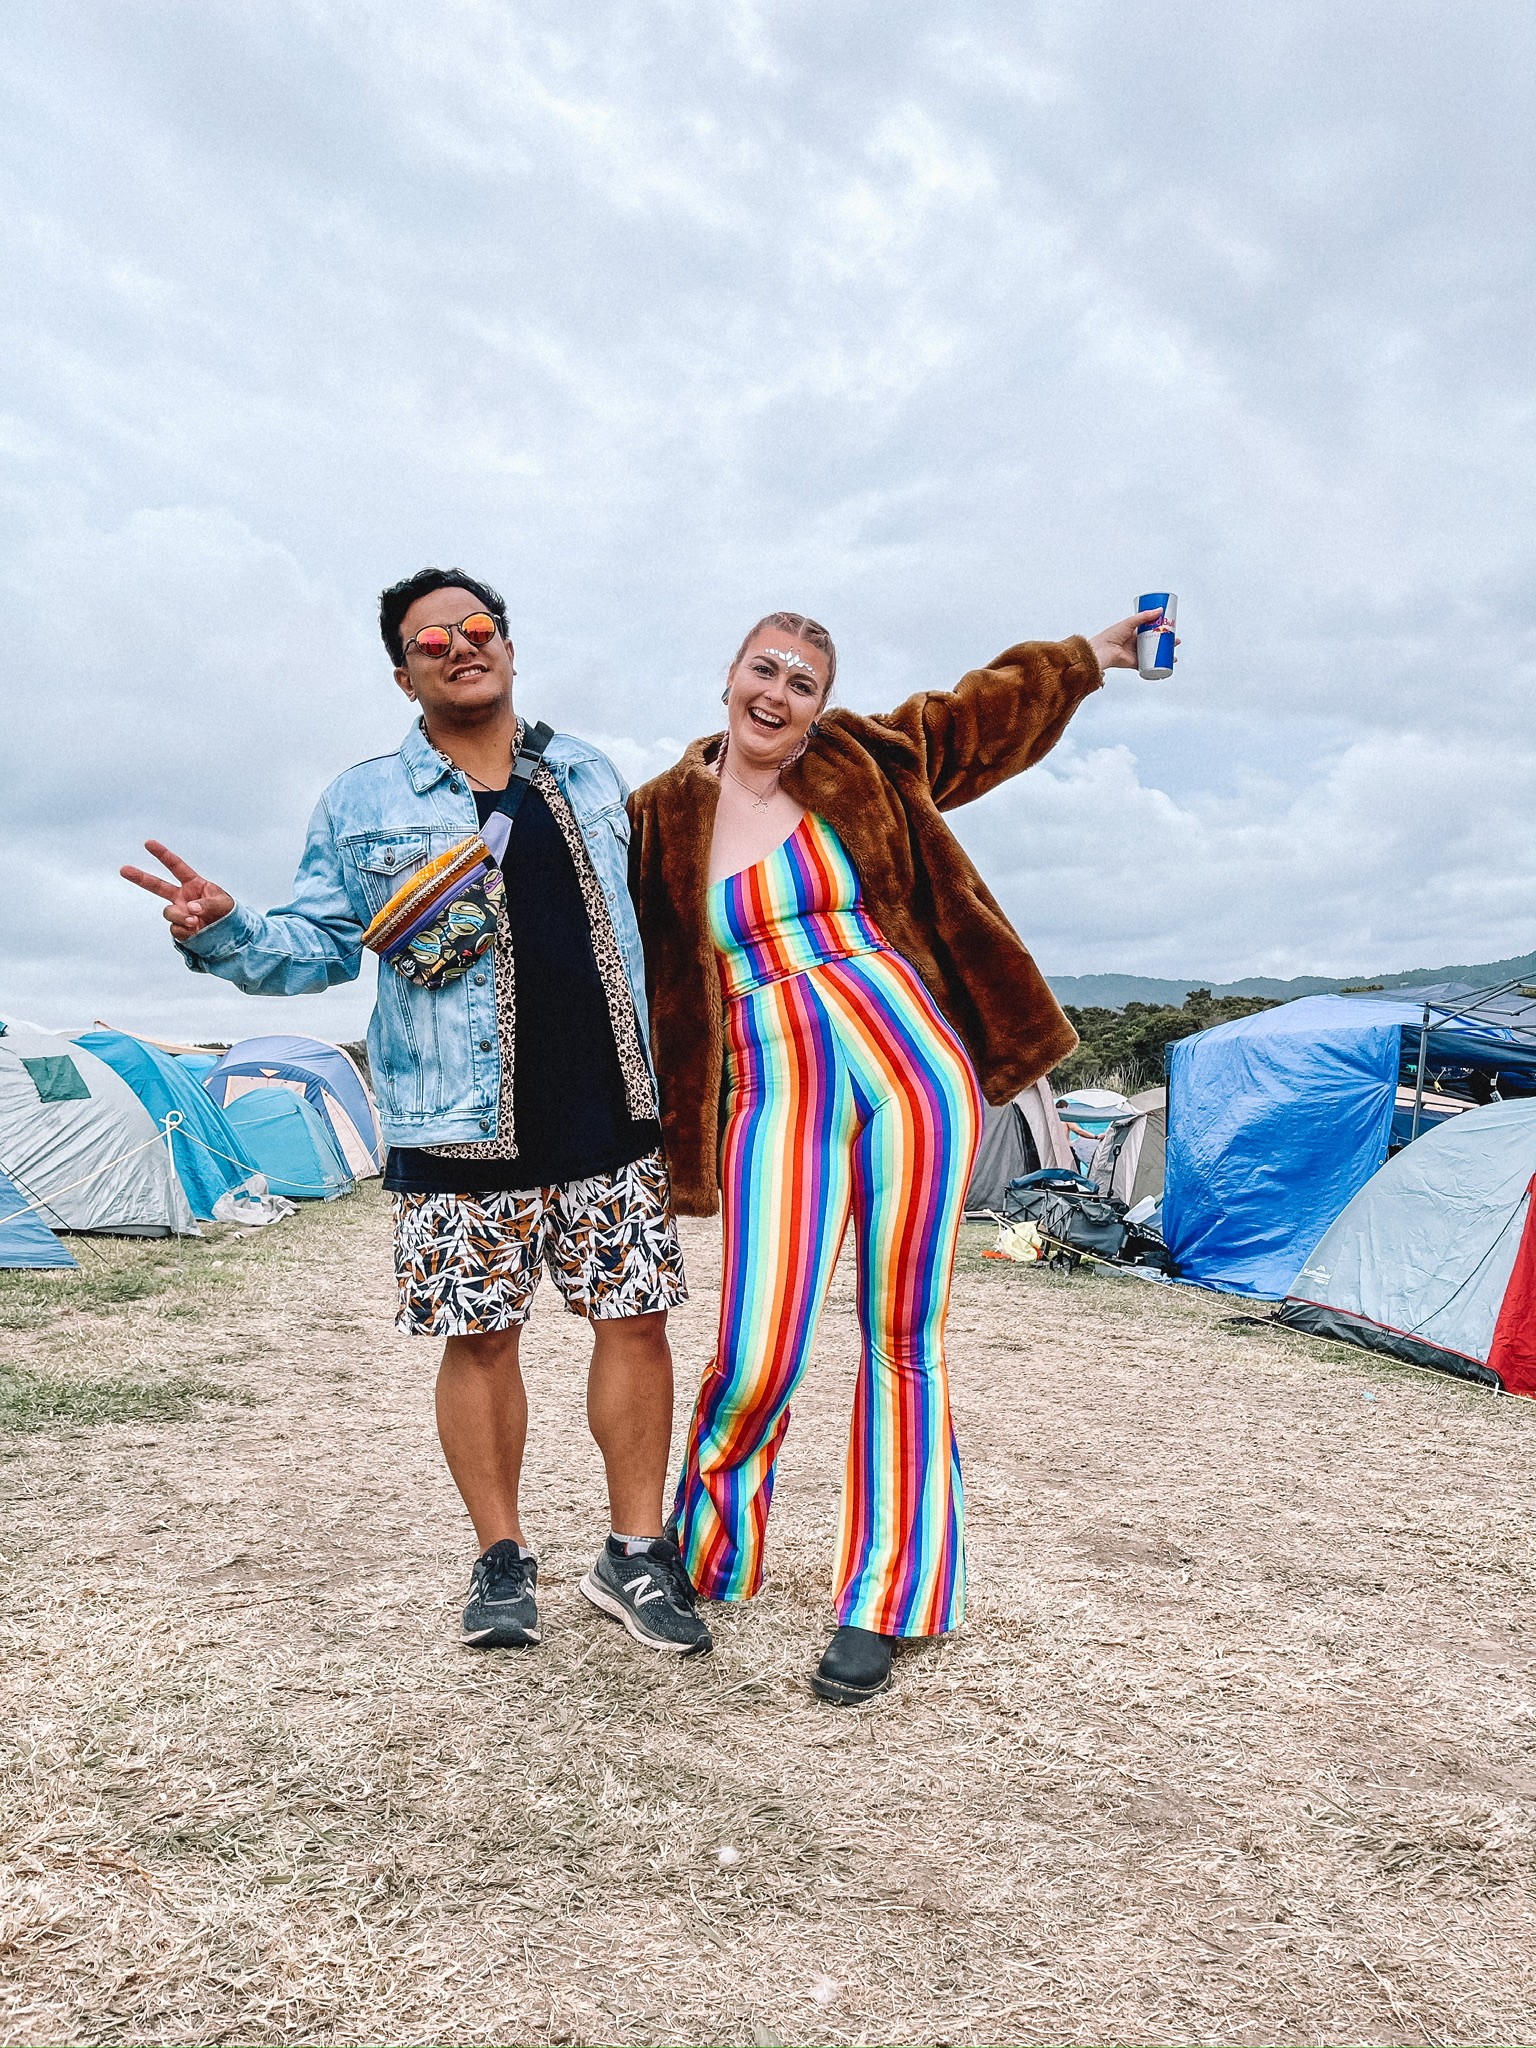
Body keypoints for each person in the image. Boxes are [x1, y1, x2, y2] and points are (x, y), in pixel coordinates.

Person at [121, 568, 710, 1658]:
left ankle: (634, 1552)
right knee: (480, 1338)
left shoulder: (584, 770)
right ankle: (501, 1559)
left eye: (476, 628)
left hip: (606, 1102)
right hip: (452, 1115)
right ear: (404, 671)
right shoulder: (362, 802)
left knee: (635, 1322)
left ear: (511, 646)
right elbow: (312, 947)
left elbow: (663, 919)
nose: (458, 646)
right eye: (430, 639)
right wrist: (220, 928)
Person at [627, 605, 1160, 1702]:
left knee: (901, 1333)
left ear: (822, 703)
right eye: (763, 670)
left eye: (804, 681)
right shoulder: (657, 815)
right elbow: (566, 912)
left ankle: (888, 1596)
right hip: (773, 1087)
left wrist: (1091, 657)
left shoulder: (863, 757)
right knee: (759, 1338)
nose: (779, 694)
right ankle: (709, 1551)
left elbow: (978, 719)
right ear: (728, 676)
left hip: (913, 1061)